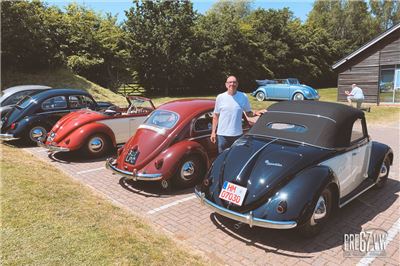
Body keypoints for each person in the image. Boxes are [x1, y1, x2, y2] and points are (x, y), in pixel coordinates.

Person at [210, 75, 262, 154]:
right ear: (226, 84)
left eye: (234, 82)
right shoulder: (220, 97)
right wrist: (213, 132)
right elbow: (216, 116)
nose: (232, 84)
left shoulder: (243, 96)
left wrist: (257, 113)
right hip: (222, 135)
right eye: (230, 82)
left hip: (237, 135)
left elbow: (248, 113)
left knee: (236, 157)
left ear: (237, 84)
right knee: (222, 158)